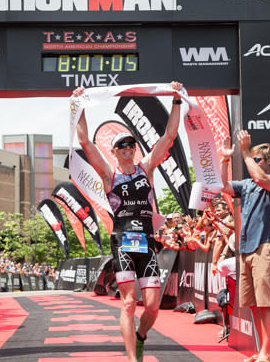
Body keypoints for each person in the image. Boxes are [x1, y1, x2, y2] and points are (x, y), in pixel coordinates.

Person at [73, 81, 183, 362]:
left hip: (146, 244)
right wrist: (79, 106)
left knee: (153, 307)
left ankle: (141, 336)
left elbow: (170, 135)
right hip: (122, 243)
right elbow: (85, 142)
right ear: (114, 151)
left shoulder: (146, 168)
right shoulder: (109, 175)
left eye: (131, 144)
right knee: (128, 303)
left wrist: (176, 99)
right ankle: (132, 358)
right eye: (122, 145)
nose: (127, 147)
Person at [220, 131, 270, 362]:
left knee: (265, 303)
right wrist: (225, 158)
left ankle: (266, 352)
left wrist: (245, 153)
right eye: (252, 159)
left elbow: (261, 180)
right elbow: (223, 186)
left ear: (269, 161)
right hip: (245, 249)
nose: (253, 162)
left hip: (265, 245)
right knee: (254, 305)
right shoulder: (247, 184)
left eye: (258, 159)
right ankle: (261, 351)